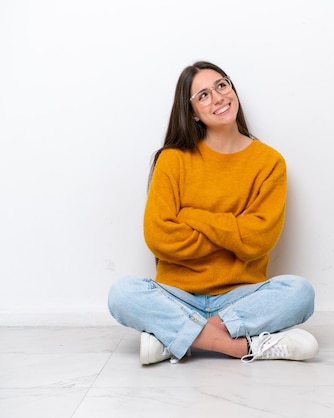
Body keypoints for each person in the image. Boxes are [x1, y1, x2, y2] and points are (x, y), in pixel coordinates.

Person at [108, 61, 318, 365]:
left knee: (300, 292)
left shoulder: (269, 162)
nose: (218, 97)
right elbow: (159, 237)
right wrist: (236, 230)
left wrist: (191, 216)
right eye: (203, 95)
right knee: (122, 293)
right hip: (178, 296)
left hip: (241, 297)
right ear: (192, 112)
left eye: (221, 85)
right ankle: (239, 346)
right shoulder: (172, 160)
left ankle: (175, 338)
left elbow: (258, 240)